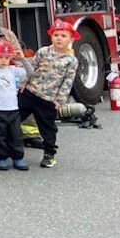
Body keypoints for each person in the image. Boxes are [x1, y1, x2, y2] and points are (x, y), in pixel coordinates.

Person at [19, 19, 80, 168]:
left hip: (49, 99)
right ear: (51, 37)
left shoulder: (71, 60)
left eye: (63, 36)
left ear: (71, 39)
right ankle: (5, 146)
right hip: (30, 93)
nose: (59, 38)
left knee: (47, 128)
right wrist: (22, 84)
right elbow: (31, 69)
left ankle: (49, 154)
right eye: (56, 35)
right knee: (13, 118)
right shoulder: (42, 52)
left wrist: (60, 100)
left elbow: (67, 82)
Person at [0, 40, 34, 171]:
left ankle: (17, 157)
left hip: (13, 109)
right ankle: (1, 158)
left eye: (7, 57)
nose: (4, 60)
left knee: (16, 135)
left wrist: (23, 59)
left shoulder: (13, 70)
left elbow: (30, 73)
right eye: (0, 57)